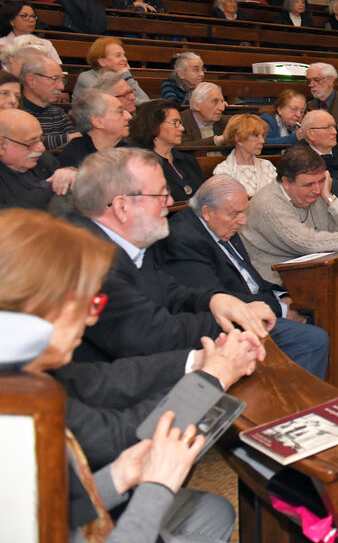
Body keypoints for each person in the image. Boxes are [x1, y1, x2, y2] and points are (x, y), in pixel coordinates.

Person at [0, 209, 243, 543]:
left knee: (214, 512)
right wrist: (156, 487)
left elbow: (103, 379)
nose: (90, 319)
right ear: (37, 308)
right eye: (88, 304)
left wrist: (118, 476)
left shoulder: (19, 373)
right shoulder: (16, 412)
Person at [68, 148, 274, 363]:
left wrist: (216, 300)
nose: (169, 202)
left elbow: (169, 292)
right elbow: (149, 335)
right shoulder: (84, 257)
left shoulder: (130, 240)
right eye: (160, 195)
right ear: (121, 207)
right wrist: (237, 319)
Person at [159, 177, 331, 378]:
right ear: (206, 212)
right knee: (313, 340)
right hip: (231, 323)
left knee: (326, 314)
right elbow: (215, 297)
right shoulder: (183, 238)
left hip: (256, 305)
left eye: (244, 212)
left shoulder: (221, 223)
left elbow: (250, 278)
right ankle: (297, 405)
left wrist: (282, 296)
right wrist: (282, 310)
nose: (244, 221)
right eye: (236, 214)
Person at [239, 145, 338, 285]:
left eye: (321, 181)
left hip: (313, 274)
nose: (316, 190)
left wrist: (329, 198)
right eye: (308, 184)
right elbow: (306, 242)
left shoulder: (319, 194)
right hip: (275, 285)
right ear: (286, 182)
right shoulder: (269, 203)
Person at [0, 108, 77, 212]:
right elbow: (9, 218)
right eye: (31, 143)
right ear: (2, 145)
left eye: (40, 139)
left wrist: (70, 174)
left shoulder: (44, 161)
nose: (41, 148)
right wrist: (51, 186)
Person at [130, 99, 204, 201]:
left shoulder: (189, 160)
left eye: (180, 122)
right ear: (154, 125)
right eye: (175, 122)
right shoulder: (141, 164)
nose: (182, 128)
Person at [57, 89, 131, 168]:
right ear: (98, 122)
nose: (129, 116)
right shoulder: (73, 159)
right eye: (120, 112)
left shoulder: (130, 152)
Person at [19, 52, 77, 148]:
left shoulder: (58, 113)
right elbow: (24, 143)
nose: (61, 87)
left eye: (62, 80)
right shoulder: (15, 112)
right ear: (31, 80)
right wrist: (67, 138)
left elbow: (76, 144)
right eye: (55, 79)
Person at [213, 113, 278, 197]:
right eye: (256, 135)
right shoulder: (223, 171)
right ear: (238, 138)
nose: (262, 141)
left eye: (262, 135)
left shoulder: (267, 166)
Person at [72, 36, 150, 104]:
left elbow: (146, 101)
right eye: (118, 55)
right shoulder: (86, 78)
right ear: (102, 62)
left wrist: (127, 77)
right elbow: (117, 101)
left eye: (124, 55)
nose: (125, 59)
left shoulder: (119, 77)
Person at [181, 81, 228, 146]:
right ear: (196, 105)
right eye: (215, 101)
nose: (222, 108)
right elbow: (184, 148)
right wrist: (219, 140)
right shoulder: (180, 122)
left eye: (222, 101)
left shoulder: (226, 122)